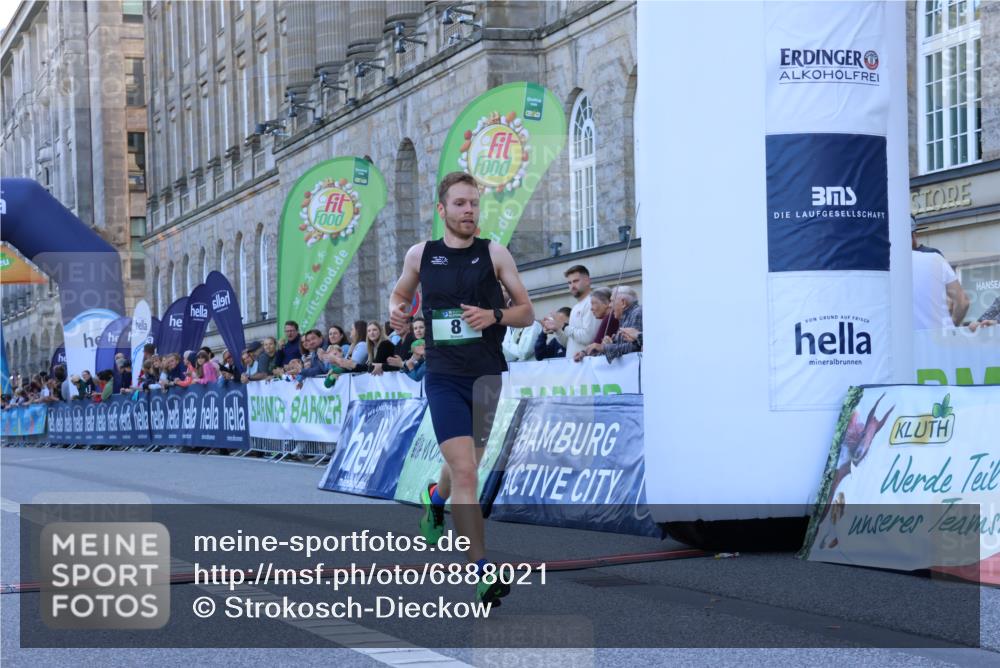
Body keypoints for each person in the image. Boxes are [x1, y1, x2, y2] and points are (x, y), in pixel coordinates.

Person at [389, 171, 535, 606]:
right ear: (442, 210)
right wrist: (397, 311)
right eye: (460, 204)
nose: (469, 210)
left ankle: (435, 497)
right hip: (444, 376)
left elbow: (527, 312)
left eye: (473, 203)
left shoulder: (495, 253)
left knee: (465, 463)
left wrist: (495, 316)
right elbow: (399, 294)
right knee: (469, 471)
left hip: (486, 374)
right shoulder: (421, 255)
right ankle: (481, 571)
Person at [911, 222, 969, 330]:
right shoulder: (934, 257)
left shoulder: (882, 265)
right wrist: (951, 327)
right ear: (913, 235)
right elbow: (962, 302)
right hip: (938, 339)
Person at [547, 264, 599, 359]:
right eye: (569, 283)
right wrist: (557, 329)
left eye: (575, 281)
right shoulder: (575, 307)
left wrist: (563, 326)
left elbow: (588, 338)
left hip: (586, 364)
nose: (572, 286)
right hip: (574, 365)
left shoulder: (592, 303)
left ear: (587, 281)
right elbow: (568, 343)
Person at [580, 286, 642, 361]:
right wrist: (609, 345)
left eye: (612, 301)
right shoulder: (624, 316)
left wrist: (604, 347)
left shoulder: (637, 313)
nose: (610, 305)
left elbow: (636, 347)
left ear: (623, 303)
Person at [501, 286, 542, 362]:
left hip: (531, 371)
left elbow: (523, 352)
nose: (511, 308)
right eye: (510, 304)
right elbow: (505, 356)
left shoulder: (533, 325)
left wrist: (503, 343)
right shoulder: (509, 326)